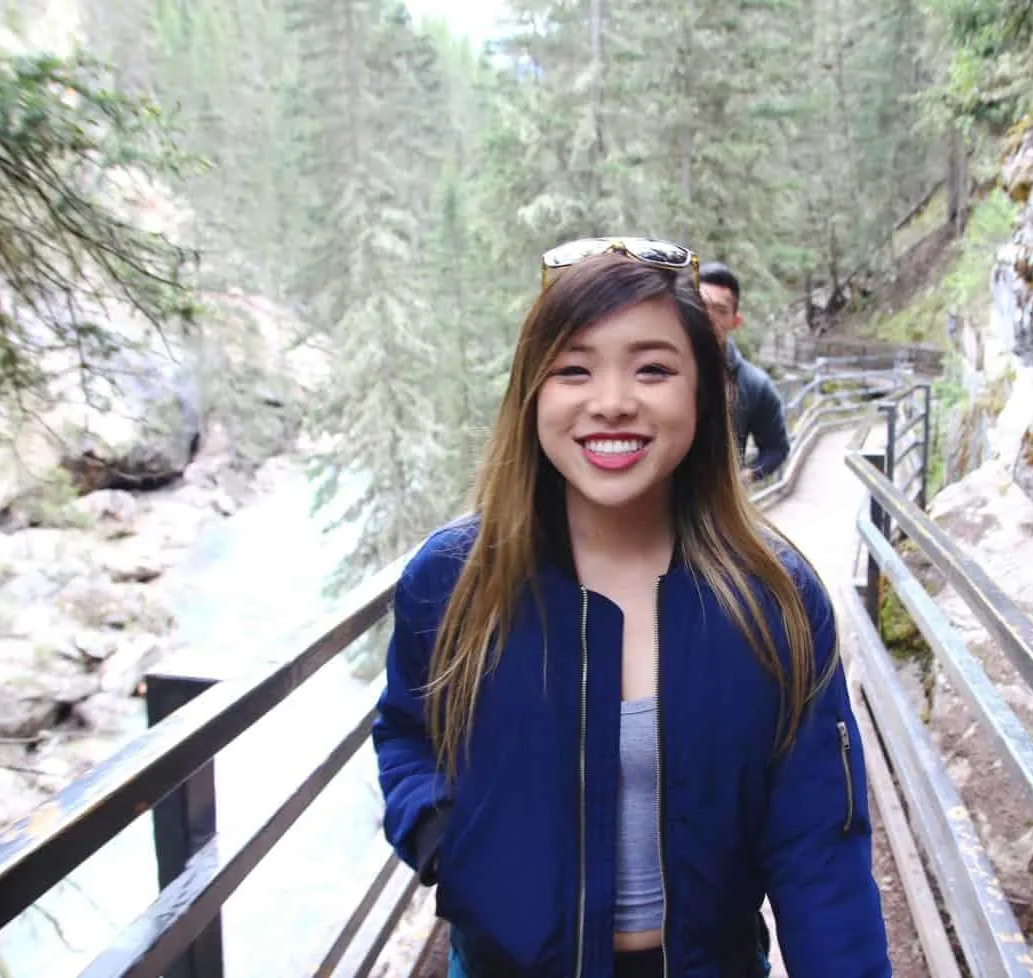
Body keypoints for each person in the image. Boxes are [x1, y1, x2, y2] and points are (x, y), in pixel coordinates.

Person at [372, 236, 892, 978]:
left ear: (703, 395)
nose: (612, 401)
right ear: (531, 395)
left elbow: (822, 855)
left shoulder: (770, 600)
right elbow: (407, 731)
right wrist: (447, 845)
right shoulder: (455, 580)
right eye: (573, 369)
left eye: (653, 369)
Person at [697, 261, 790, 485]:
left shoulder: (754, 384)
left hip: (715, 510)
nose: (707, 317)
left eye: (720, 311)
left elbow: (776, 448)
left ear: (735, 321)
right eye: (699, 305)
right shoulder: (655, 370)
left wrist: (742, 480)